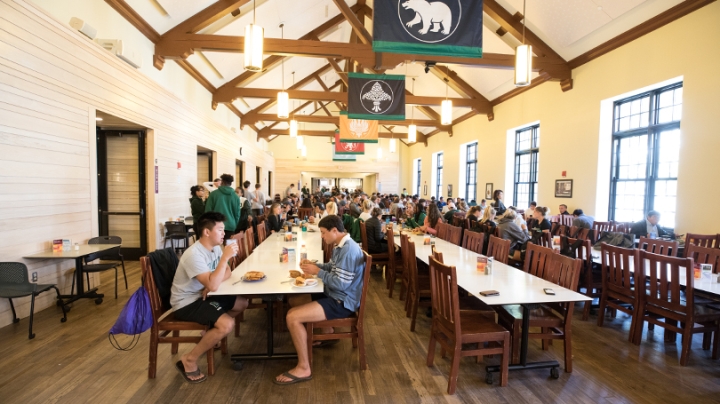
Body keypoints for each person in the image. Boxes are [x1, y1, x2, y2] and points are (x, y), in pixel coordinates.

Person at [274, 215, 365, 385]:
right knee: (295, 299)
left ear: (334, 231)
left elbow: (341, 284)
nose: (322, 236)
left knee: (292, 317)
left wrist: (317, 272)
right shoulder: (342, 244)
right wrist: (316, 266)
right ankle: (327, 332)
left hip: (342, 301)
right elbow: (333, 267)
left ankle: (303, 368)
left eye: (323, 233)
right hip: (335, 294)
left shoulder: (348, 250)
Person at [171, 212, 249, 383]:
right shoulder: (194, 254)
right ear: (207, 232)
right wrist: (222, 263)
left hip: (204, 294)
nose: (224, 233)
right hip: (187, 302)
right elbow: (216, 280)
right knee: (227, 324)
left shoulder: (215, 248)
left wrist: (212, 281)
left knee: (242, 303)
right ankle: (189, 360)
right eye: (220, 229)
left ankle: (210, 334)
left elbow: (227, 272)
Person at [204, 174, 240, 239]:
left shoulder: (213, 194)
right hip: (231, 225)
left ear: (222, 182)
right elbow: (237, 214)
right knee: (230, 246)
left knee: (216, 247)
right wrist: (234, 224)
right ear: (231, 183)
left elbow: (208, 212)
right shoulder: (236, 196)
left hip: (215, 225)